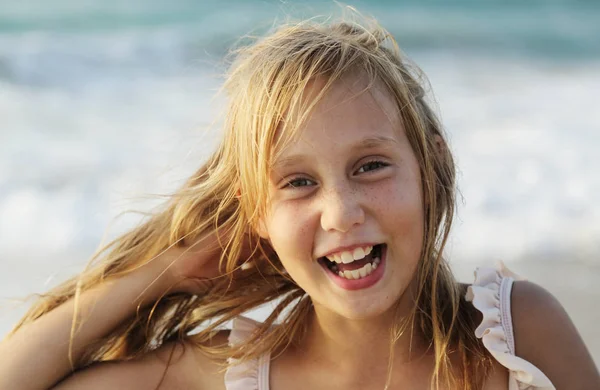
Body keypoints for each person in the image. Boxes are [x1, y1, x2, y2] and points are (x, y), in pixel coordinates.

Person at [0, 14, 598, 390]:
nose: (340, 213)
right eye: (297, 183)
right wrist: (162, 272)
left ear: (432, 166)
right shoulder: (230, 373)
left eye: (370, 166)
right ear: (255, 210)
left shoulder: (513, 335)